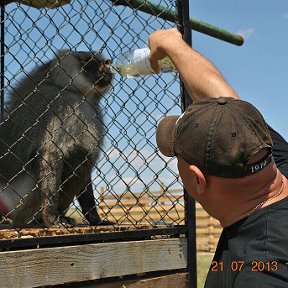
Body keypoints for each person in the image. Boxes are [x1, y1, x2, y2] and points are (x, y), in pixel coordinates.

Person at [148, 28, 288, 287]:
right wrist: (172, 45)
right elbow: (224, 102)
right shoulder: (272, 160)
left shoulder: (261, 271)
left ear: (197, 179)